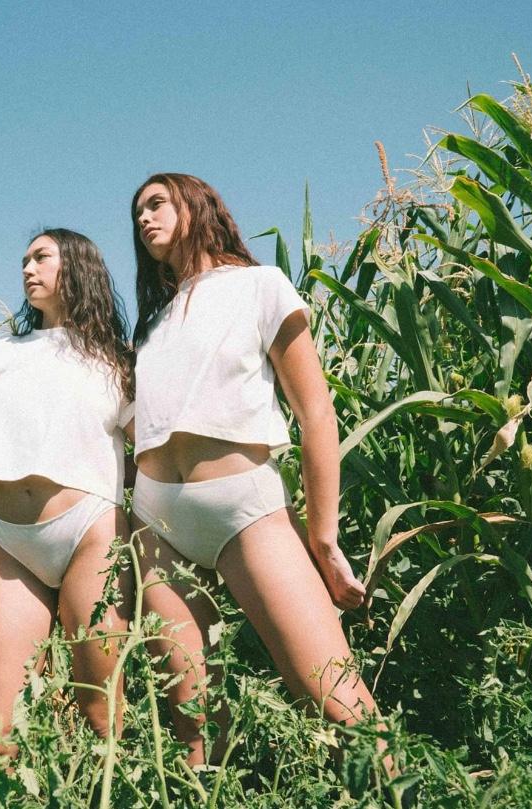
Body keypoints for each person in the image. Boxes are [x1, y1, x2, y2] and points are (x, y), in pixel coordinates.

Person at [127, 173, 386, 770]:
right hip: (156, 523)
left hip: (244, 507)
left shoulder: (260, 286)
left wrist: (324, 538)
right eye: (137, 212)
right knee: (195, 731)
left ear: (197, 205)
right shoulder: (153, 326)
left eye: (156, 203)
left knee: (339, 703)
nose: (143, 219)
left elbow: (317, 414)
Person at [0, 228, 134, 775]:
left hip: (91, 533)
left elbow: (143, 459)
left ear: (76, 266)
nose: (28, 269)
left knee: (100, 711)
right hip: (10, 546)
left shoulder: (117, 361)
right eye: (24, 260)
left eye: (41, 258)